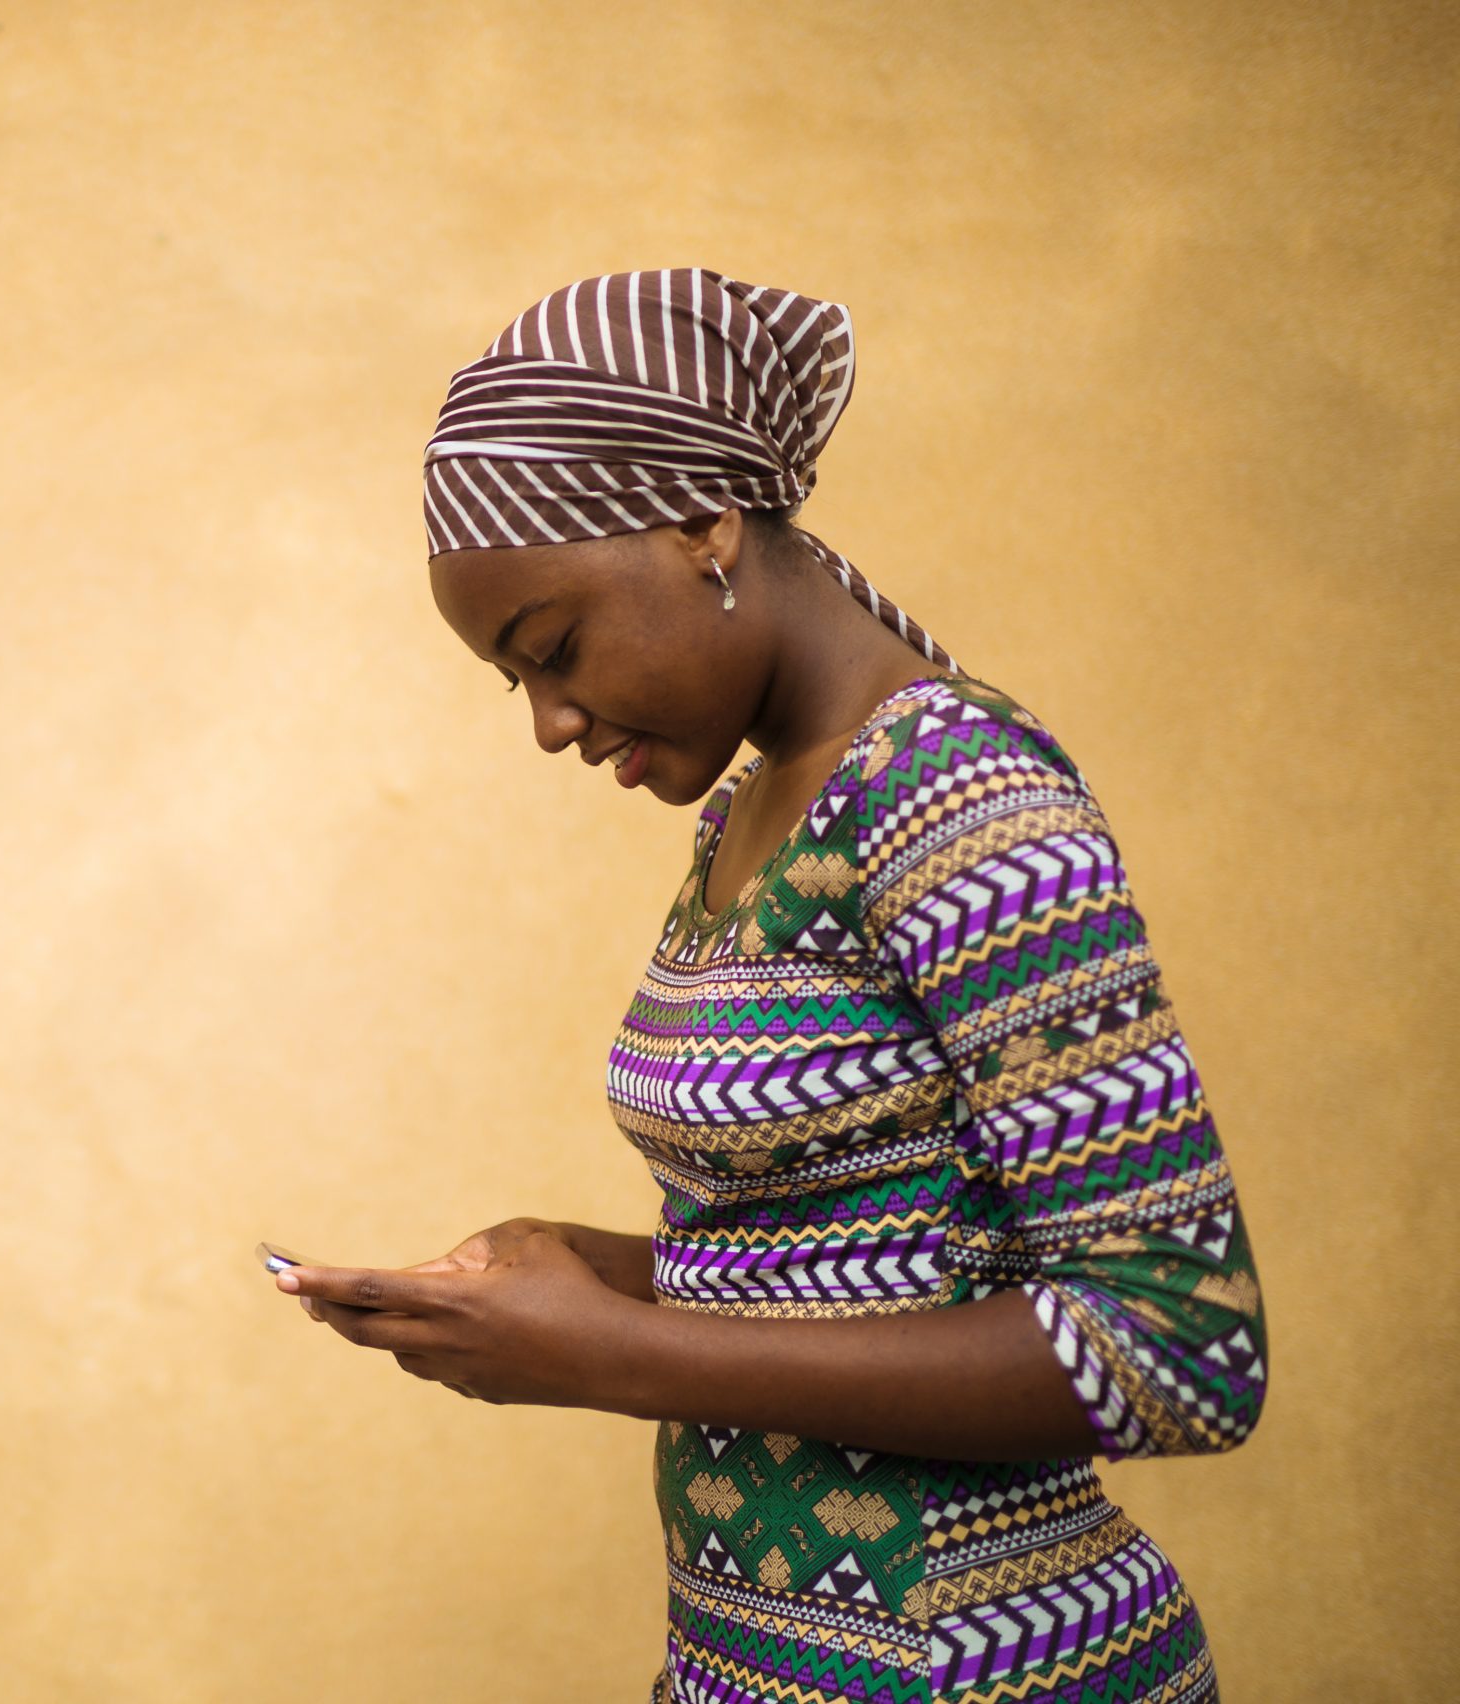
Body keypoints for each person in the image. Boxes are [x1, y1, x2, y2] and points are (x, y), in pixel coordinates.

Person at [273, 269, 1266, 1704]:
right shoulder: (751, 814)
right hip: (764, 1662)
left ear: (703, 522)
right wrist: (588, 1268)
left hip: (981, 1667)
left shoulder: (959, 799)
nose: (551, 722)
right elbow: (885, 1256)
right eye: (517, 684)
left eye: (553, 649)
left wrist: (622, 1354)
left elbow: (1180, 1345)